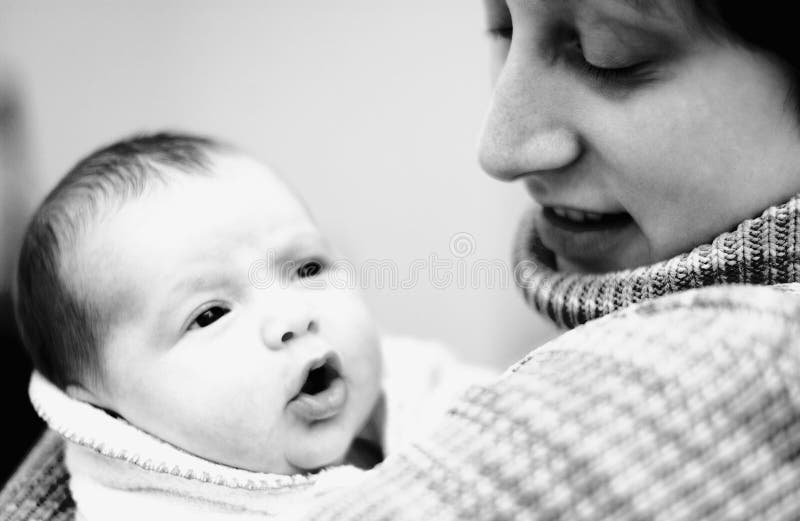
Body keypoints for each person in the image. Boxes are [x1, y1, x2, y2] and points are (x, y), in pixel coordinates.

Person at [5, 1, 800, 519]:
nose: (498, 148)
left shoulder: (757, 359)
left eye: (609, 52)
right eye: (499, 28)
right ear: (103, 413)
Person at [12, 132, 490, 520]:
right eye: (210, 314)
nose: (295, 316)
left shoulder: (411, 385)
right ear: (104, 406)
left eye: (308, 269)